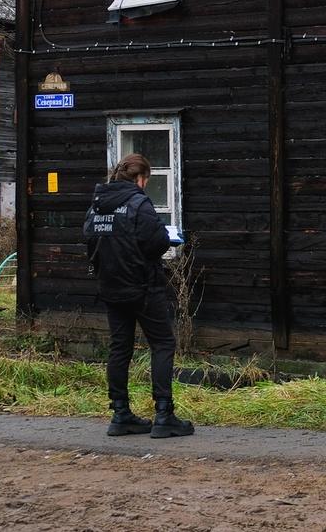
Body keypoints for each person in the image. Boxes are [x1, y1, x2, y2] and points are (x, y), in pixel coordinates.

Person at [83, 153, 194, 438]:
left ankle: (120, 414)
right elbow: (157, 241)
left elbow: (89, 239)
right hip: (143, 287)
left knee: (120, 348)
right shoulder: (138, 202)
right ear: (140, 179)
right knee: (162, 344)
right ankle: (164, 414)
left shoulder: (97, 205)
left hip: (110, 286)